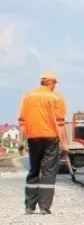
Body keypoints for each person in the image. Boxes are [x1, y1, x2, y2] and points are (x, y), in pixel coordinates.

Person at [17, 72, 68, 215]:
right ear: (50, 83)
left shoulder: (27, 96)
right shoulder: (56, 97)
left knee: (34, 170)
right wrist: (64, 144)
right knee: (48, 172)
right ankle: (44, 207)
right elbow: (60, 123)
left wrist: (21, 142)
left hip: (33, 138)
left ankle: (29, 206)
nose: (54, 86)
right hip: (51, 138)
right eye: (54, 84)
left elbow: (22, 121)